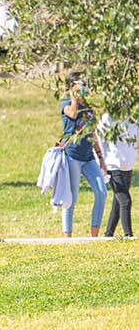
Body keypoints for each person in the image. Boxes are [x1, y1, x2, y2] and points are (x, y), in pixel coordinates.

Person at [59, 72, 107, 237]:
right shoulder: (65, 104)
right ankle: (67, 237)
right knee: (71, 197)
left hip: (88, 157)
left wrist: (101, 158)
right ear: (72, 86)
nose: (84, 87)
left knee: (102, 192)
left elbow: (92, 133)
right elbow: (72, 114)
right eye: (80, 84)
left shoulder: (89, 108)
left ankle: (94, 236)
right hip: (72, 156)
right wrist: (75, 98)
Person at [99, 114, 138, 237]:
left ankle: (108, 234)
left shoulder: (133, 118)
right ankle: (128, 235)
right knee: (126, 201)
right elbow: (100, 141)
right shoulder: (108, 118)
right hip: (112, 165)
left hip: (128, 166)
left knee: (118, 202)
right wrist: (102, 163)